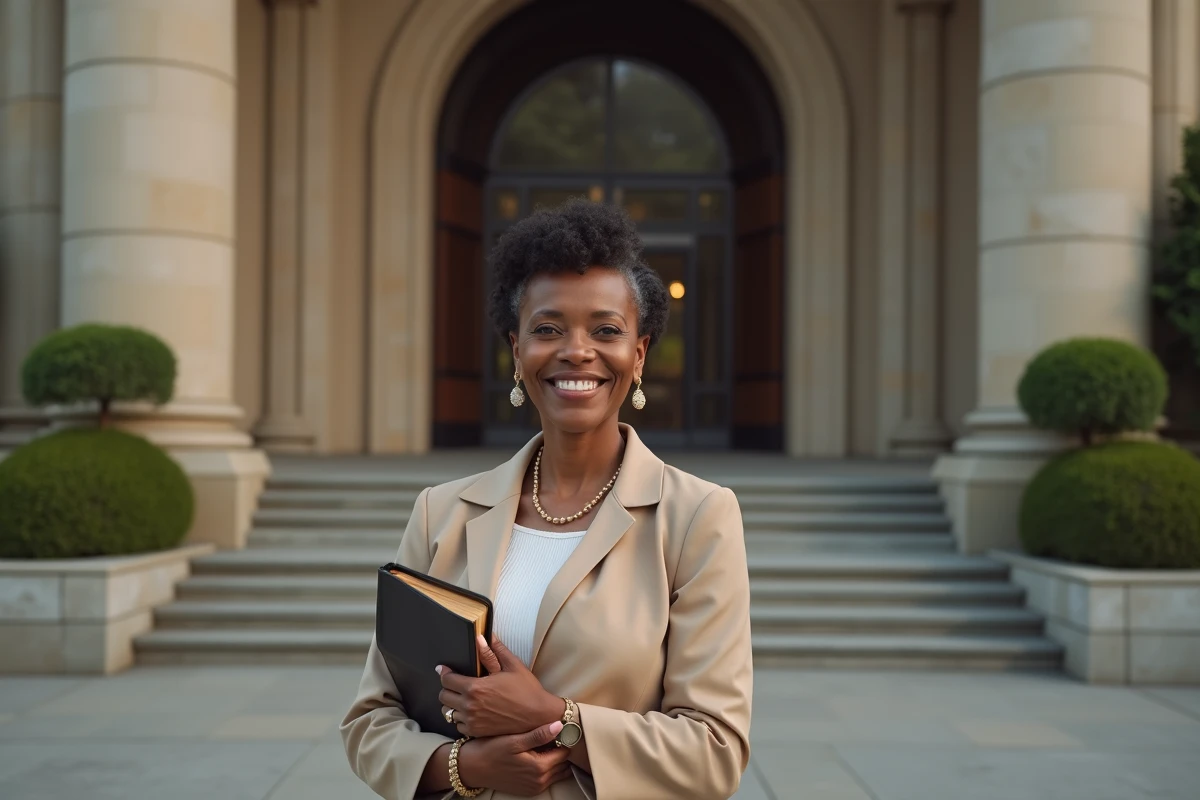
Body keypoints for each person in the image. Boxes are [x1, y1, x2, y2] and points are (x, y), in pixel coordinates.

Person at [341, 199, 752, 800]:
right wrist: (469, 769)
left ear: (639, 354)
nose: (576, 351)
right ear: (517, 351)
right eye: (548, 328)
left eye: (606, 330)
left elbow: (715, 752)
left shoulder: (695, 518)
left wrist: (559, 721)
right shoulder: (441, 513)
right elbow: (370, 722)